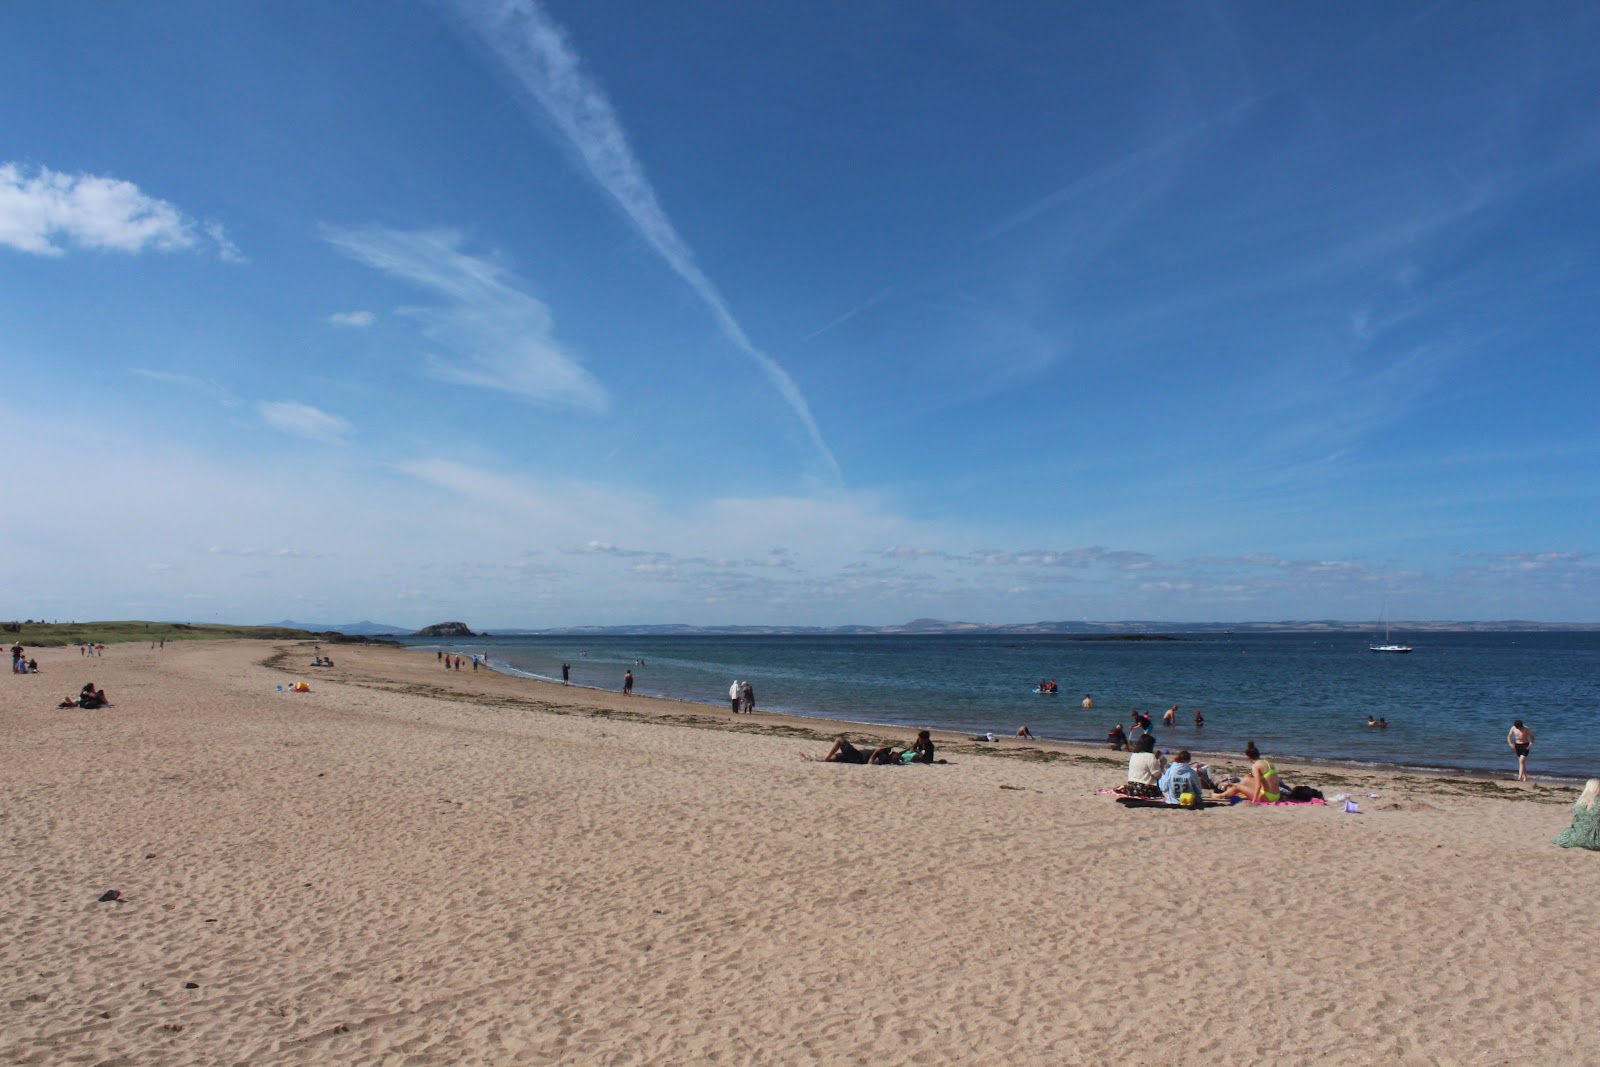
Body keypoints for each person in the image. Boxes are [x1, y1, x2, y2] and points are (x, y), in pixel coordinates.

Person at [1214, 748, 1284, 804]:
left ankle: (1220, 796)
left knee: (1237, 786)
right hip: (1276, 796)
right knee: (1246, 779)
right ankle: (1229, 793)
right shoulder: (1267, 763)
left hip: (1267, 797)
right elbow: (1266, 780)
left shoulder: (1255, 766)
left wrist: (1254, 801)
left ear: (1249, 757)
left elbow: (1258, 785)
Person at [1553, 779, 1600, 850]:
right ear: (1595, 789)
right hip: (1596, 841)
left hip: (1578, 838)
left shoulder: (1580, 803)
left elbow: (1575, 823)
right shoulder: (1598, 802)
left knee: (1567, 832)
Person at [803, 736, 900, 765]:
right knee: (832, 759)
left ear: (893, 759)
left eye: (896, 756)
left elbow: (870, 763)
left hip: (856, 757)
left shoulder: (883, 759)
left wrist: (876, 751)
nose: (896, 754)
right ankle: (811, 759)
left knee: (840, 740)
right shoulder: (886, 755)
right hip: (855, 756)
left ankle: (824, 758)